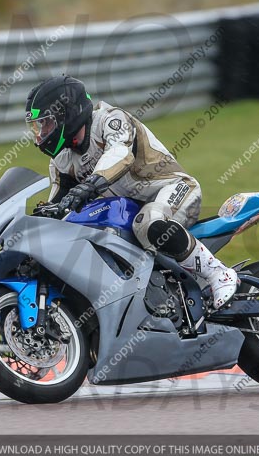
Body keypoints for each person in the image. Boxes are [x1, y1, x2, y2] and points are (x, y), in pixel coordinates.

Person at [25, 75, 239, 308]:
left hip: (172, 188)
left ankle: (220, 274)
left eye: (46, 123)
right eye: (38, 126)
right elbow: (58, 206)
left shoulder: (110, 120)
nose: (41, 133)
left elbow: (119, 154)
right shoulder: (61, 161)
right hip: (131, 209)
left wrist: (90, 185)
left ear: (67, 114)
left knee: (149, 223)